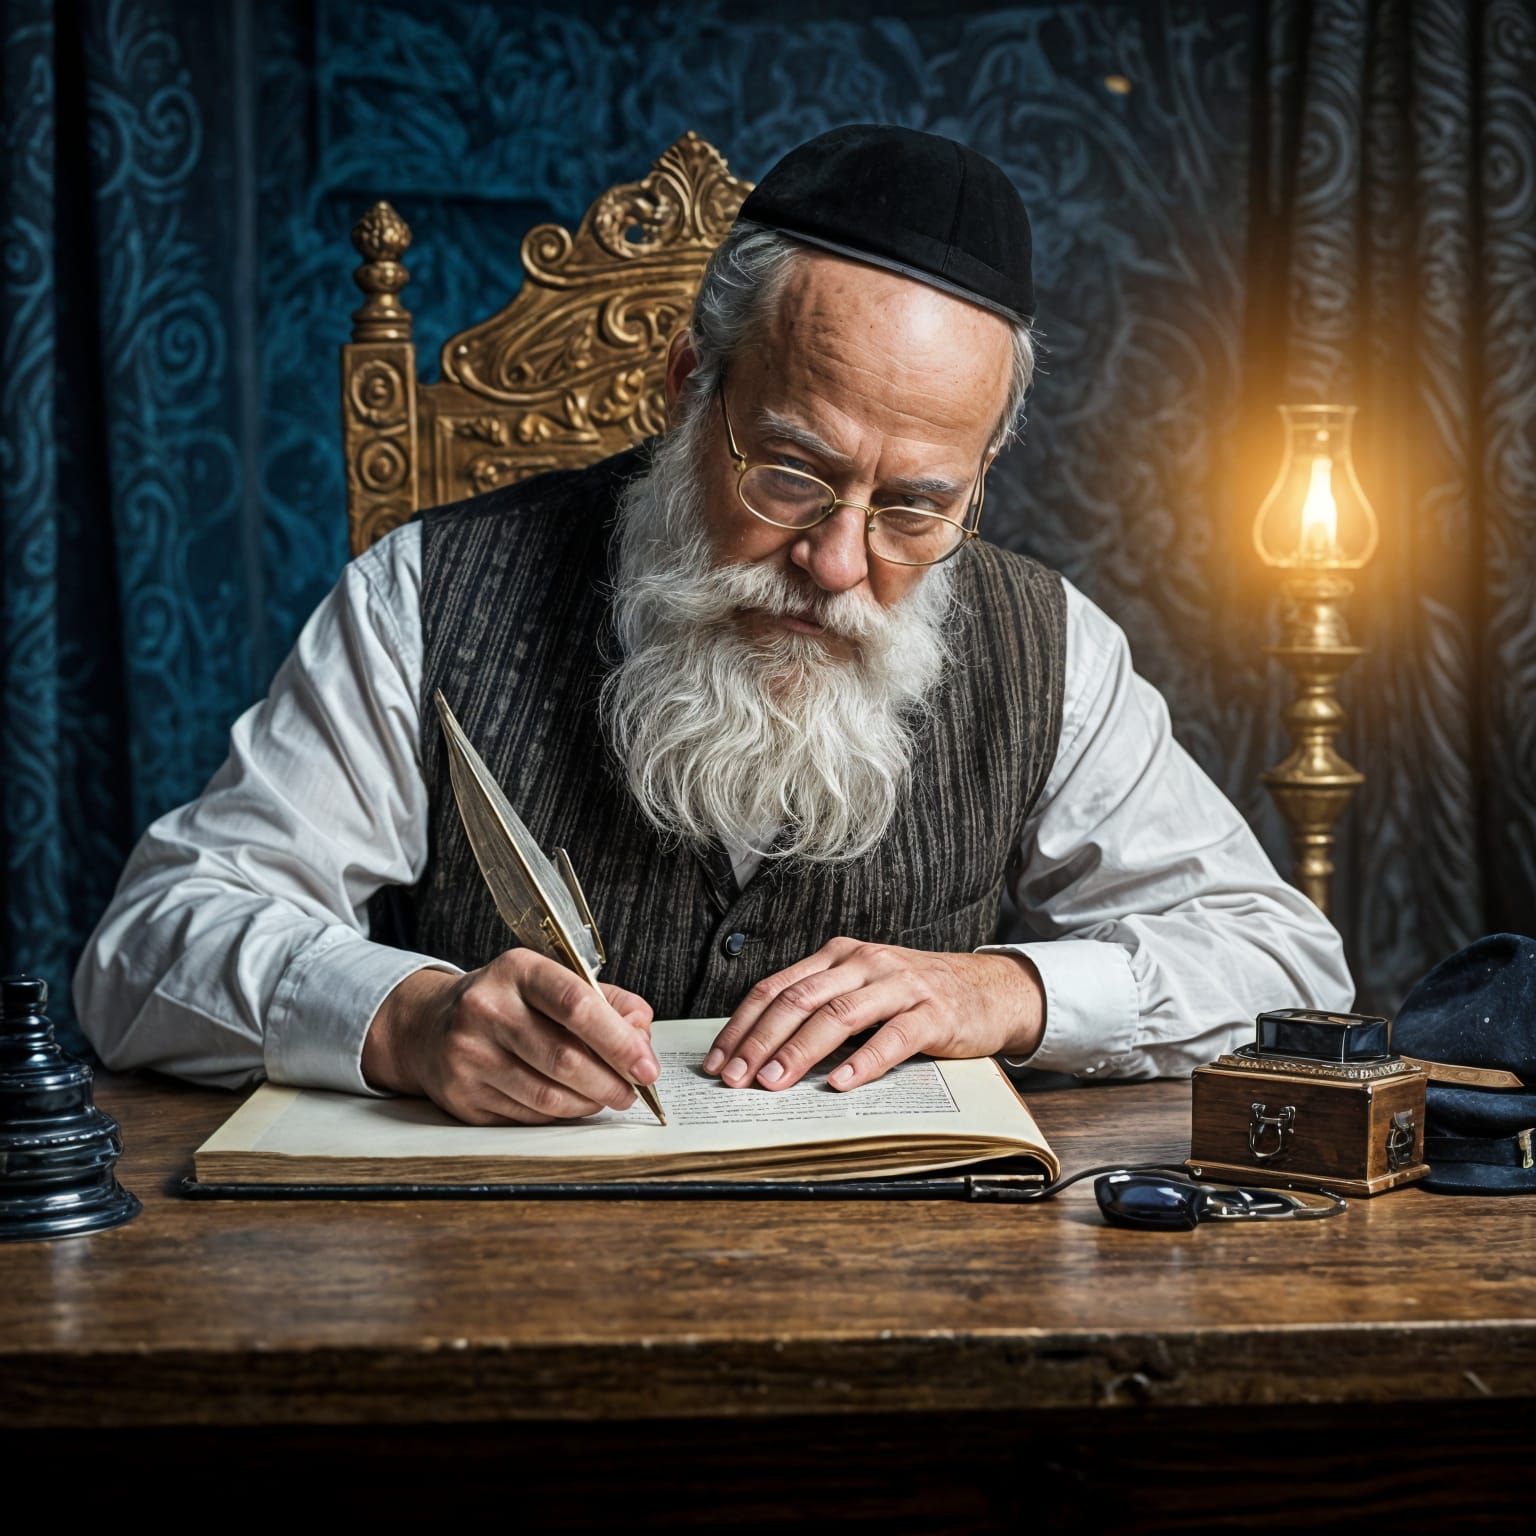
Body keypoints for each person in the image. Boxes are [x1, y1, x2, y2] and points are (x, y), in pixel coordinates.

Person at [73, 124, 1353, 1126]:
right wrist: (404, 1021)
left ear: (981, 479)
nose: (838, 561)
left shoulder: (1048, 646)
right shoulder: (425, 593)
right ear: (691, 387)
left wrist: (1007, 990)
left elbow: (1288, 969)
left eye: (914, 506)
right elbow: (145, 951)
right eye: (790, 473)